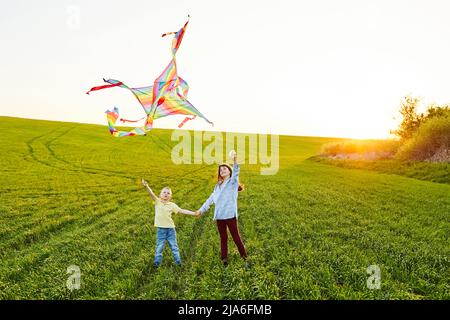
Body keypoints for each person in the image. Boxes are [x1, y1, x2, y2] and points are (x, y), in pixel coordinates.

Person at [196, 151, 247, 266]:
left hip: (230, 215)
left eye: (225, 168)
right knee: (223, 238)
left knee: (236, 238)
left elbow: (236, 171)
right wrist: (201, 210)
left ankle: (245, 258)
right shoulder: (217, 185)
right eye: (221, 169)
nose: (222, 170)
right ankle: (224, 259)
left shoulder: (232, 182)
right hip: (219, 215)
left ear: (230, 171)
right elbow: (210, 199)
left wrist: (234, 159)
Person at [142, 179, 199, 267]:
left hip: (170, 230)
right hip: (160, 230)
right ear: (160, 194)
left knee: (174, 246)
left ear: (170, 196)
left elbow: (181, 210)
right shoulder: (157, 202)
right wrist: (146, 186)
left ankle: (178, 262)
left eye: (168, 193)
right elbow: (151, 194)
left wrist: (193, 213)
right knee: (159, 247)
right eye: (164, 192)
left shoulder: (172, 205)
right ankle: (157, 263)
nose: (166, 194)